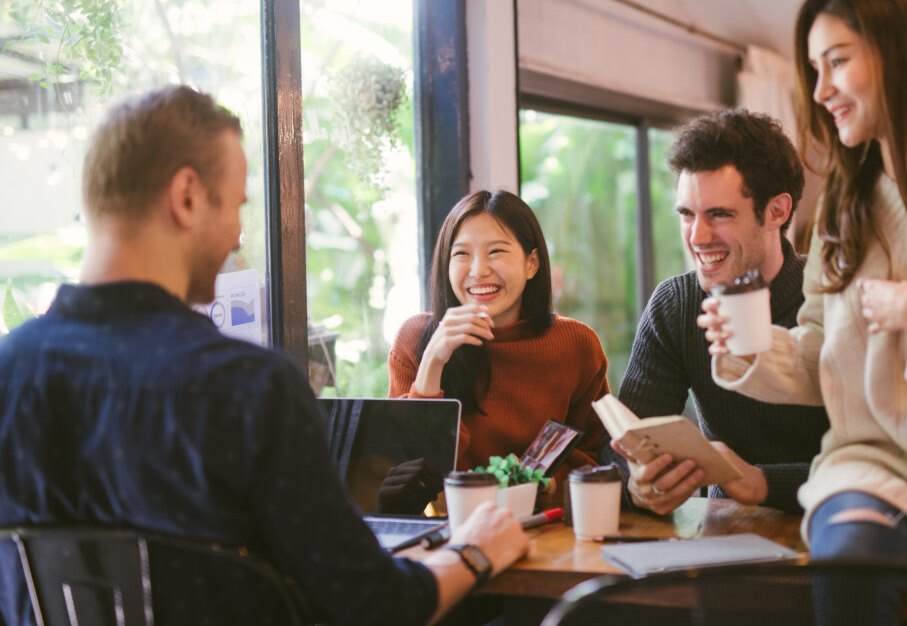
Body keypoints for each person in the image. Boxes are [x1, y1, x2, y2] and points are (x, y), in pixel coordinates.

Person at [0, 85, 529, 626]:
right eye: (236, 206)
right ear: (186, 196)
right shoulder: (247, 389)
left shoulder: (8, 373)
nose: (237, 237)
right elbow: (374, 605)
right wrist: (474, 550)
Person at [699, 0, 907, 624]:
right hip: (874, 468)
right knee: (850, 558)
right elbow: (824, 355)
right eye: (813, 69)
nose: (821, 90)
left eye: (838, 61)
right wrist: (753, 348)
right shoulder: (846, 203)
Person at [599, 109, 829, 515]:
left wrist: (760, 482)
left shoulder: (834, 298)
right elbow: (620, 450)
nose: (697, 236)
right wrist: (636, 486)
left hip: (831, 520)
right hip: (723, 526)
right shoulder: (675, 306)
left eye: (719, 215)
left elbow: (884, 465)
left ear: (777, 211)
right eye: (687, 214)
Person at [388, 190, 608, 484]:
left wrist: (530, 483)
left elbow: (598, 459)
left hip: (546, 511)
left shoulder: (576, 344)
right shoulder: (414, 338)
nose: (478, 271)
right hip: (449, 513)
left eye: (496, 252)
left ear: (532, 264)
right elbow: (404, 471)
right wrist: (432, 362)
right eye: (461, 254)